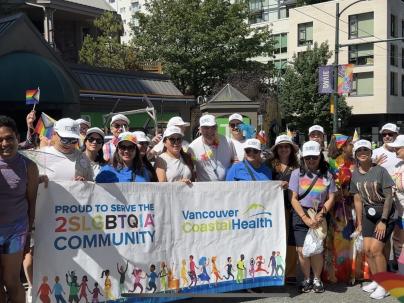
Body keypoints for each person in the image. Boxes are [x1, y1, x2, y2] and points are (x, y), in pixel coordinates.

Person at [0, 115, 39, 303]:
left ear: (17, 136)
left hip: (15, 232)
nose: (5, 143)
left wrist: (28, 234)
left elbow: (32, 202)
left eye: (9, 138)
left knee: (12, 281)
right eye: (0, 140)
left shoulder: (29, 167)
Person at [350, 140, 395, 299]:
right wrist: (360, 223)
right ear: (355, 154)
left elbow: (389, 196)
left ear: (371, 153)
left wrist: (383, 220)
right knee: (367, 250)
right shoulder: (355, 173)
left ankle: (385, 285)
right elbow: (357, 199)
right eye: (359, 150)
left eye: (366, 150)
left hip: (385, 213)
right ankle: (377, 280)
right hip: (367, 214)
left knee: (376, 250)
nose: (363, 152)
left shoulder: (380, 171)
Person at [289, 141, 336, 293]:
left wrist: (321, 214)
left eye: (314, 158)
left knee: (316, 249)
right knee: (301, 250)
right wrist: (305, 218)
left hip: (319, 214)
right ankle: (306, 278)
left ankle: (317, 278)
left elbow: (331, 197)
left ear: (320, 157)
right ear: (303, 158)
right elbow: (294, 198)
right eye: (307, 158)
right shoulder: (296, 173)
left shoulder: (327, 174)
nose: (310, 161)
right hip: (301, 213)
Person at [323, 134, 361, 284]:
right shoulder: (332, 164)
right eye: (350, 144)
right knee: (337, 240)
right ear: (342, 146)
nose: (352, 146)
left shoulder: (354, 162)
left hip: (353, 205)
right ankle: (335, 274)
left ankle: (351, 272)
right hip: (337, 208)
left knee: (351, 239)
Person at [267, 134, 299, 283]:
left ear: (291, 149)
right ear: (276, 149)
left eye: (287, 146)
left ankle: (290, 272)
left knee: (291, 238)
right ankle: (276, 270)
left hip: (292, 206)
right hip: (274, 206)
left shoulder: (298, 166)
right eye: (281, 147)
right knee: (276, 237)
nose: (284, 149)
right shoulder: (269, 164)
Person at [188, 115, 237, 181]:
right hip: (205, 189)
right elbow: (189, 170)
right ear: (199, 129)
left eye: (213, 127)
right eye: (206, 128)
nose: (210, 131)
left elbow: (235, 161)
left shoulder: (227, 141)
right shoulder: (193, 147)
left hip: (226, 187)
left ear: (217, 127)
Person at [386, 136, 404, 275]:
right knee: (397, 240)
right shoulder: (398, 165)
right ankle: (400, 269)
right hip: (398, 211)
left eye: (398, 147)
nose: (395, 150)